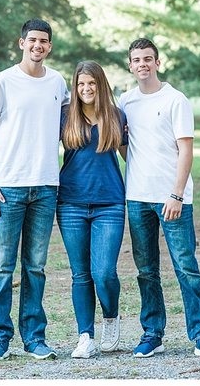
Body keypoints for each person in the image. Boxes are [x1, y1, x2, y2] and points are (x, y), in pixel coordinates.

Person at [118, 38, 200, 360]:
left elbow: (186, 150)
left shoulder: (176, 100)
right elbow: (122, 144)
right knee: (146, 270)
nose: (142, 65)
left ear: (158, 63)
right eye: (136, 60)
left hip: (173, 199)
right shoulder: (125, 102)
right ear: (130, 65)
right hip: (136, 198)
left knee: (186, 267)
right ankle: (153, 333)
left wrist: (176, 194)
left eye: (147, 59)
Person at [0, 18, 69, 361]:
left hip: (46, 187)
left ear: (49, 46)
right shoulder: (2, 81)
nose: (38, 46)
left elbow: (75, 118)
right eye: (32, 40)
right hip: (8, 188)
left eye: (44, 41)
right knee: (2, 265)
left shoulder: (58, 82)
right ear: (21, 43)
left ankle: (34, 337)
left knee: (35, 266)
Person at [56, 61, 127, 358]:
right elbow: (34, 141)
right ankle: (85, 335)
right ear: (75, 86)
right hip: (71, 203)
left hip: (109, 202)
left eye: (92, 83)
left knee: (104, 272)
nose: (86, 89)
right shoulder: (64, 117)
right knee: (80, 274)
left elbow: (132, 155)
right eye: (81, 84)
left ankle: (111, 317)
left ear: (101, 85)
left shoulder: (115, 115)